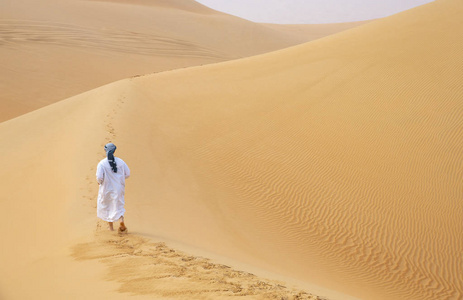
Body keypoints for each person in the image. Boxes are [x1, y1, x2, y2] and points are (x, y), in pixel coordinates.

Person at [96, 143, 130, 232]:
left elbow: (99, 177)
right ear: (115, 151)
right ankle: (121, 221)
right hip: (119, 188)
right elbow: (127, 174)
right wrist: (120, 178)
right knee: (119, 205)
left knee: (108, 206)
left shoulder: (102, 163)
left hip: (106, 188)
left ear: (105, 151)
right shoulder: (121, 162)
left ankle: (111, 228)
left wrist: (100, 182)